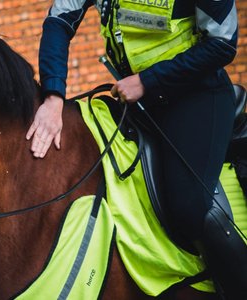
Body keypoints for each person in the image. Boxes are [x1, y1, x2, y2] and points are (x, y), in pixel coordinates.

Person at [27, 0, 247, 298]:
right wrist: (53, 96)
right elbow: (59, 20)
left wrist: (148, 81)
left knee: (189, 208)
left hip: (194, 96)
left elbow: (223, 44)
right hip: (133, 101)